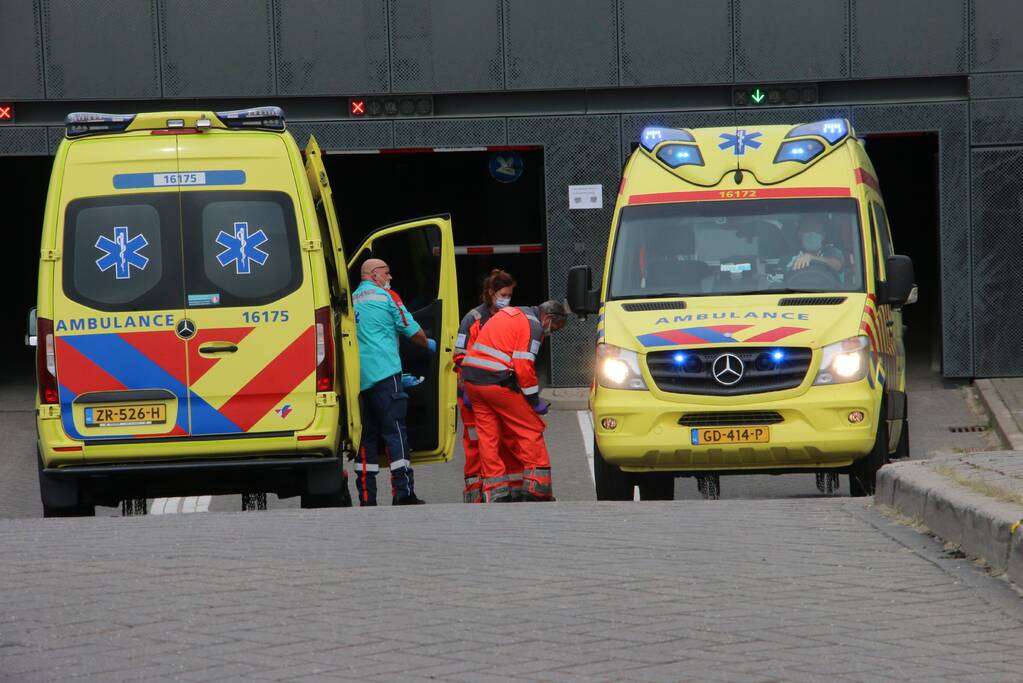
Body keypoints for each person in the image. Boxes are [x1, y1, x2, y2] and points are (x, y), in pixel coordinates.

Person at [461, 300, 569, 503]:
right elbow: (523, 365)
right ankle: (538, 487)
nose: (551, 332)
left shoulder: (511, 313)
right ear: (550, 317)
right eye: (555, 328)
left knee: (488, 435)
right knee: (531, 427)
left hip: (473, 380)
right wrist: (533, 400)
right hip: (497, 381)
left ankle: (495, 489)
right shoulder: (534, 326)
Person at [352, 258, 436, 506]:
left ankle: (366, 498)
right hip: (386, 374)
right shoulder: (387, 297)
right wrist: (433, 346)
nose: (390, 278)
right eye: (387, 273)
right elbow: (411, 330)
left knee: (365, 439)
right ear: (375, 274)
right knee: (396, 432)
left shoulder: (351, 300)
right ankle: (403, 493)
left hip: (359, 379)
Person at [453, 269, 518, 503]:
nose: (507, 299)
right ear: (490, 293)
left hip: (499, 389)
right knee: (475, 441)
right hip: (473, 391)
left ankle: (501, 486)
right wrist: (468, 385)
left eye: (509, 295)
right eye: (503, 294)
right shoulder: (473, 319)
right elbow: (460, 355)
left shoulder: (510, 316)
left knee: (503, 439)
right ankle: (475, 491)